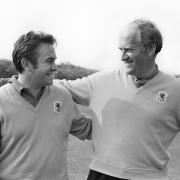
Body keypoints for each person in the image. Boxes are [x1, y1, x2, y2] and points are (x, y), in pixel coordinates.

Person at [57, 19, 180, 180]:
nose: (122, 57)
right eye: (120, 50)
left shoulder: (175, 89)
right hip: (101, 174)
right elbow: (59, 88)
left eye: (128, 50)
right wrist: (19, 82)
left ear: (150, 49)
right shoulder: (103, 80)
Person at [0, 31, 92, 180]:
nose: (55, 68)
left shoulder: (62, 96)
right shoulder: (2, 100)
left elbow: (89, 129)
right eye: (49, 61)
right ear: (26, 64)